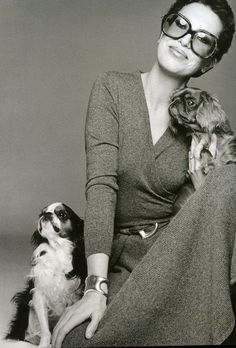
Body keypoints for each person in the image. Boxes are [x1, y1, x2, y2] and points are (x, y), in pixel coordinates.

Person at [52, 0, 236, 346]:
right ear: (164, 27)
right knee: (77, 339)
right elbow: (102, 188)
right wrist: (95, 287)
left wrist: (203, 184)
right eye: (180, 25)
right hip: (128, 261)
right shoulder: (112, 89)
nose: (184, 40)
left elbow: (214, 211)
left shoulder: (202, 119)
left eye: (202, 39)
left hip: (178, 252)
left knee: (230, 177)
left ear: (208, 63)